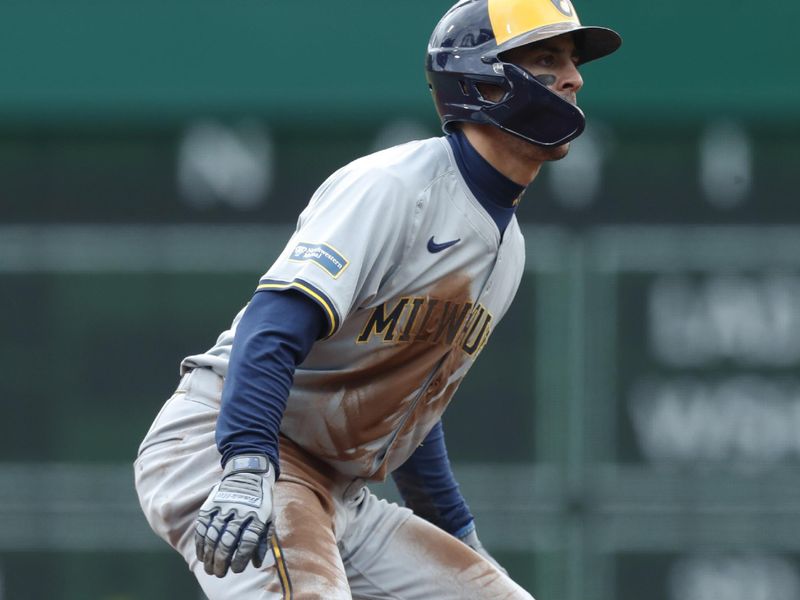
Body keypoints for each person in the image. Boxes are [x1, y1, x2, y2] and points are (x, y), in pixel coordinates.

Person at [134, 0, 620, 598]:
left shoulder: (508, 247)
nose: (574, 78)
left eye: (571, 61)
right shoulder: (394, 187)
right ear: (481, 80)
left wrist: (457, 537)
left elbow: (404, 402)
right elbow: (273, 324)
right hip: (230, 444)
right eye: (547, 59)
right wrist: (245, 463)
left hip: (340, 492)